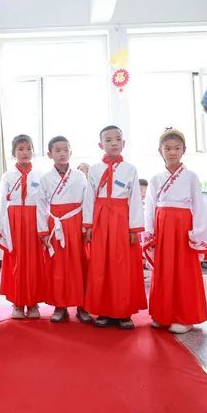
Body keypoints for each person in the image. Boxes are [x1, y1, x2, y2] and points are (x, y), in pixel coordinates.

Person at [144, 129, 207, 334]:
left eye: (177, 148)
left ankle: (184, 317)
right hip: (162, 225)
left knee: (183, 270)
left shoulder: (191, 177)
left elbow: (199, 206)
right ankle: (162, 314)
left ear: (184, 150)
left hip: (183, 227)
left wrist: (197, 234)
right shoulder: (156, 178)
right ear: (160, 151)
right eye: (167, 148)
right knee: (163, 269)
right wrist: (150, 232)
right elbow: (149, 207)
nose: (172, 152)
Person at [84, 126, 146, 329]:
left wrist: (134, 228)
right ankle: (103, 310)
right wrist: (88, 225)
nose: (113, 143)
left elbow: (135, 199)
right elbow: (89, 198)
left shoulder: (130, 169)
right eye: (108, 140)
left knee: (122, 265)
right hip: (100, 218)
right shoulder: (94, 169)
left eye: (118, 139)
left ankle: (123, 311)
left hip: (121, 218)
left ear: (124, 143)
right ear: (100, 144)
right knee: (100, 263)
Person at [37, 136, 93, 323]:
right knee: (57, 266)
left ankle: (82, 306)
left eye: (65, 150)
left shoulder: (79, 176)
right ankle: (59, 306)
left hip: (76, 222)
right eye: (57, 150)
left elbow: (87, 202)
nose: (62, 153)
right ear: (49, 154)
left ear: (71, 152)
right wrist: (43, 231)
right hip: (56, 225)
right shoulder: (45, 178)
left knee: (80, 263)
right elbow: (40, 205)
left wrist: (87, 226)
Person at [0, 134, 45, 319]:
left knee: (34, 261)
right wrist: (1, 227)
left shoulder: (40, 175)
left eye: (28, 149)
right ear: (13, 152)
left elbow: (45, 201)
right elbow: (2, 202)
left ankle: (33, 302)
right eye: (20, 149)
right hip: (14, 219)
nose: (25, 152)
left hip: (35, 218)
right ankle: (17, 302)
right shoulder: (7, 176)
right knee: (16, 259)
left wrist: (45, 225)